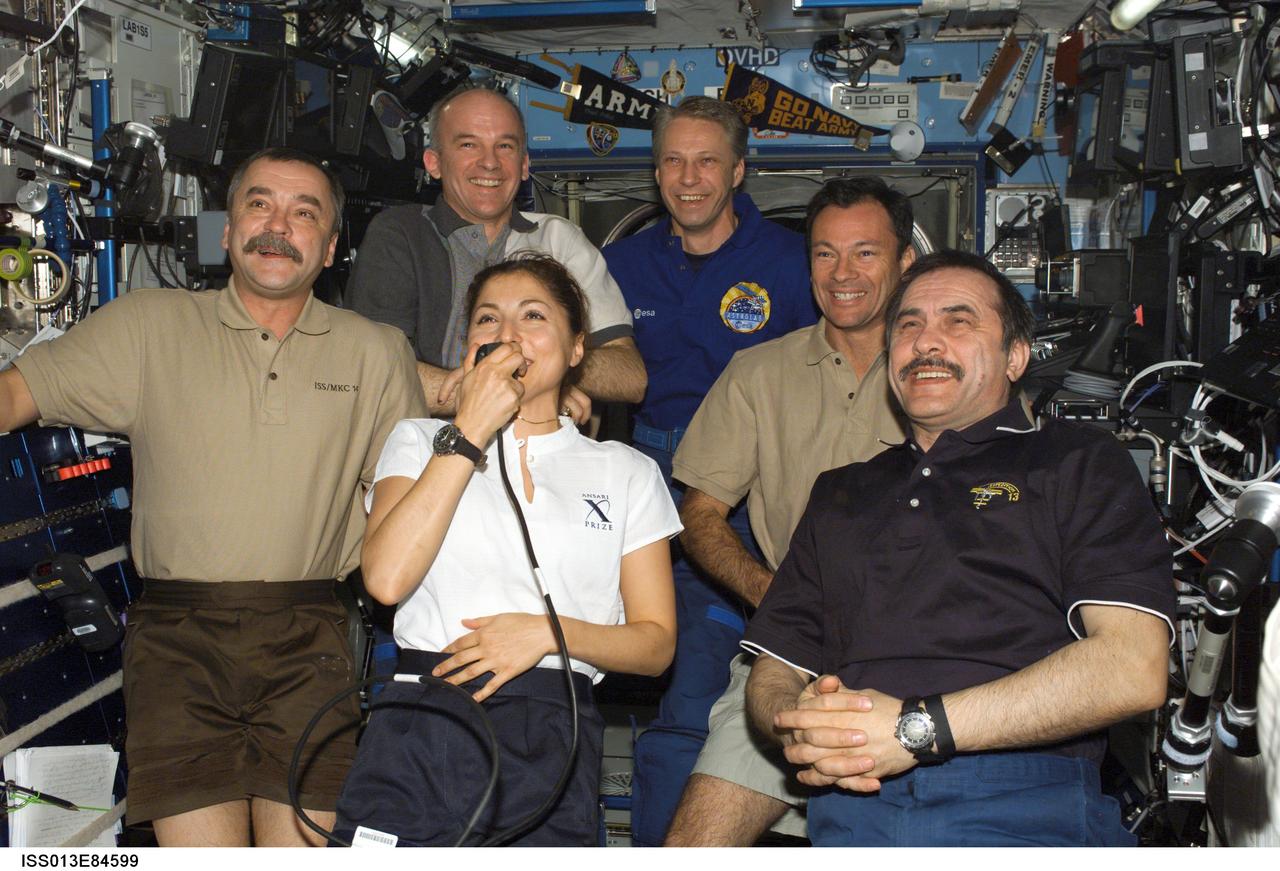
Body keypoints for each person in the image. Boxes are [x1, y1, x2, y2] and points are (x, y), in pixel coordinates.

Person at [0, 147, 426, 846]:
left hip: (311, 638)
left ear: (330, 248)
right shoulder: (150, 325)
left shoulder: (377, 351)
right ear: (226, 230)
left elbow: (407, 512)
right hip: (178, 644)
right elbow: (18, 392)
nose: (276, 225)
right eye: (258, 204)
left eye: (303, 212)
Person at [743, 250, 1175, 846]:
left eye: (959, 321)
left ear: (1016, 357)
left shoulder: (1077, 461)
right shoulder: (842, 491)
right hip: (851, 807)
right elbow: (774, 668)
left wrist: (916, 730)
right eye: (909, 325)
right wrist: (801, 727)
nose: (927, 342)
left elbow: (1134, 667)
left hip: (1024, 804)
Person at [331, 253, 680, 846]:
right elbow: (385, 580)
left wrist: (545, 633)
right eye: (489, 319)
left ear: (576, 350)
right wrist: (467, 430)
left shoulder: (625, 470)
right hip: (423, 720)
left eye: (533, 316)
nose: (508, 335)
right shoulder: (419, 441)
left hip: (550, 731)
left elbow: (655, 644)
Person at [664, 177, 913, 845]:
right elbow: (699, 514)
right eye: (825, 254)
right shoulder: (757, 373)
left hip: (919, 659)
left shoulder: (947, 376)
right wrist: (771, 592)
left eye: (866, 253)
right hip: (788, 655)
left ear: (907, 261)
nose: (843, 274)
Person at [601, 96, 816, 846]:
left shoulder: (791, 264)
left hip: (744, 497)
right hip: (640, 484)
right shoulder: (619, 265)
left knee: (697, 693)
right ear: (655, 168)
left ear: (739, 170)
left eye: (706, 161)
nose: (688, 178)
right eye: (672, 160)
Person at [345, 83, 645, 420]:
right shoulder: (400, 234)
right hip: (426, 456)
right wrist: (522, 398)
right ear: (434, 162)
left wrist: (554, 372)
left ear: (524, 164)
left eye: (505, 146)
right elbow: (373, 371)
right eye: (469, 144)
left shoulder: (560, 239)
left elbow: (630, 376)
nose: (490, 163)